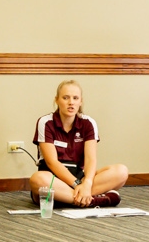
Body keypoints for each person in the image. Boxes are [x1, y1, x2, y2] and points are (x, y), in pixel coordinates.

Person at [31, 79, 128, 209]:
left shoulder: (88, 123)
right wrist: (77, 185)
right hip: (54, 180)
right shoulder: (45, 122)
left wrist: (86, 184)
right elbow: (51, 162)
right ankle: (92, 200)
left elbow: (90, 159)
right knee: (38, 180)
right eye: (65, 98)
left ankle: (67, 198)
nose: (71, 102)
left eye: (75, 98)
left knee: (121, 171)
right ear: (57, 100)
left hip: (80, 178)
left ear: (80, 101)